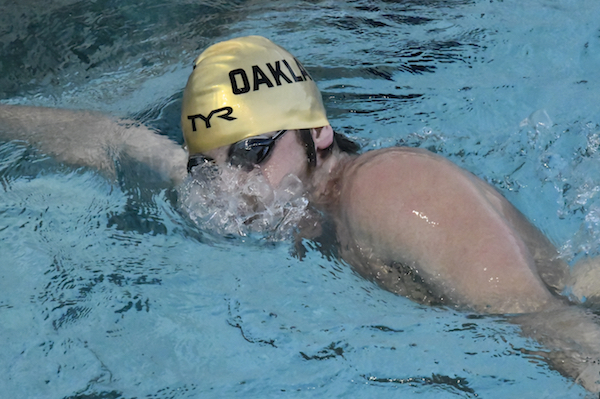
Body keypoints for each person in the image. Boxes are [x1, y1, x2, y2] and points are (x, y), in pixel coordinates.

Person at [1, 35, 600, 391]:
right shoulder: (275, 198)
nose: (232, 189)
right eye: (209, 167)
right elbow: (117, 144)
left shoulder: (391, 192)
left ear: (318, 130)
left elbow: (554, 326)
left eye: (253, 153)